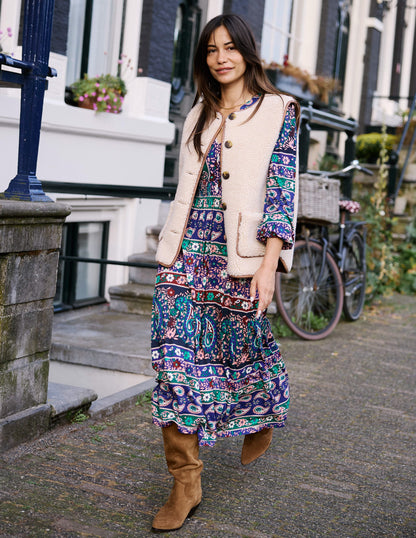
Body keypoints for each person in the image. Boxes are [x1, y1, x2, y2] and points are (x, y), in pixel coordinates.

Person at [150, 13, 299, 533]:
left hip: (238, 256)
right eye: (212, 49)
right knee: (173, 364)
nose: (221, 57)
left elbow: (282, 189)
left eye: (231, 47)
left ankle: (259, 414)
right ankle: (185, 482)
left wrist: (269, 265)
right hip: (186, 257)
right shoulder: (197, 114)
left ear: (247, 52)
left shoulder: (280, 110)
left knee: (244, 350)